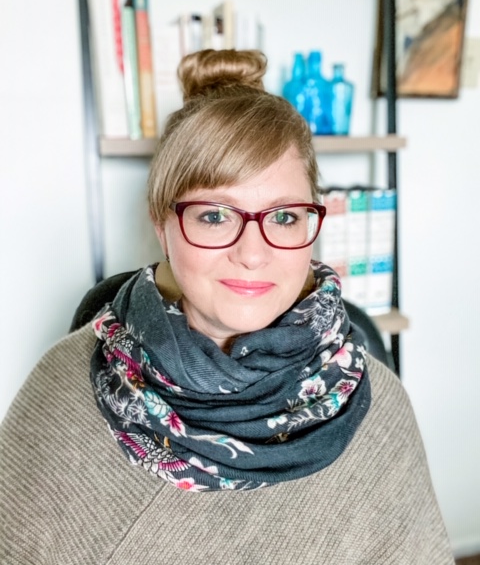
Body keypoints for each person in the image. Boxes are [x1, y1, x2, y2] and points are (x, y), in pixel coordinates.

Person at [0, 50, 454, 564]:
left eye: (284, 217)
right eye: (215, 216)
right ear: (161, 223)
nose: (253, 254)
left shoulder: (377, 404)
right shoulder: (62, 383)